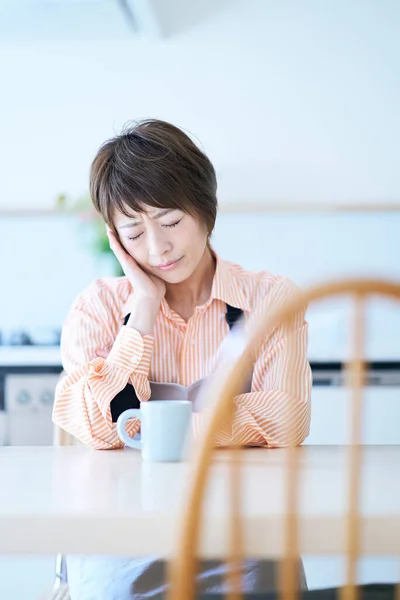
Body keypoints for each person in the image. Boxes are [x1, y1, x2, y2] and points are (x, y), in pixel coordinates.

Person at [52, 119, 312, 599]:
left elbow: (287, 418)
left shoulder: (269, 298)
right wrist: (143, 311)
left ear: (205, 209)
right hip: (120, 535)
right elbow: (95, 423)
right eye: (133, 232)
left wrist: (150, 430)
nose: (158, 248)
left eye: (171, 222)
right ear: (115, 238)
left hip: (245, 533)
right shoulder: (98, 307)